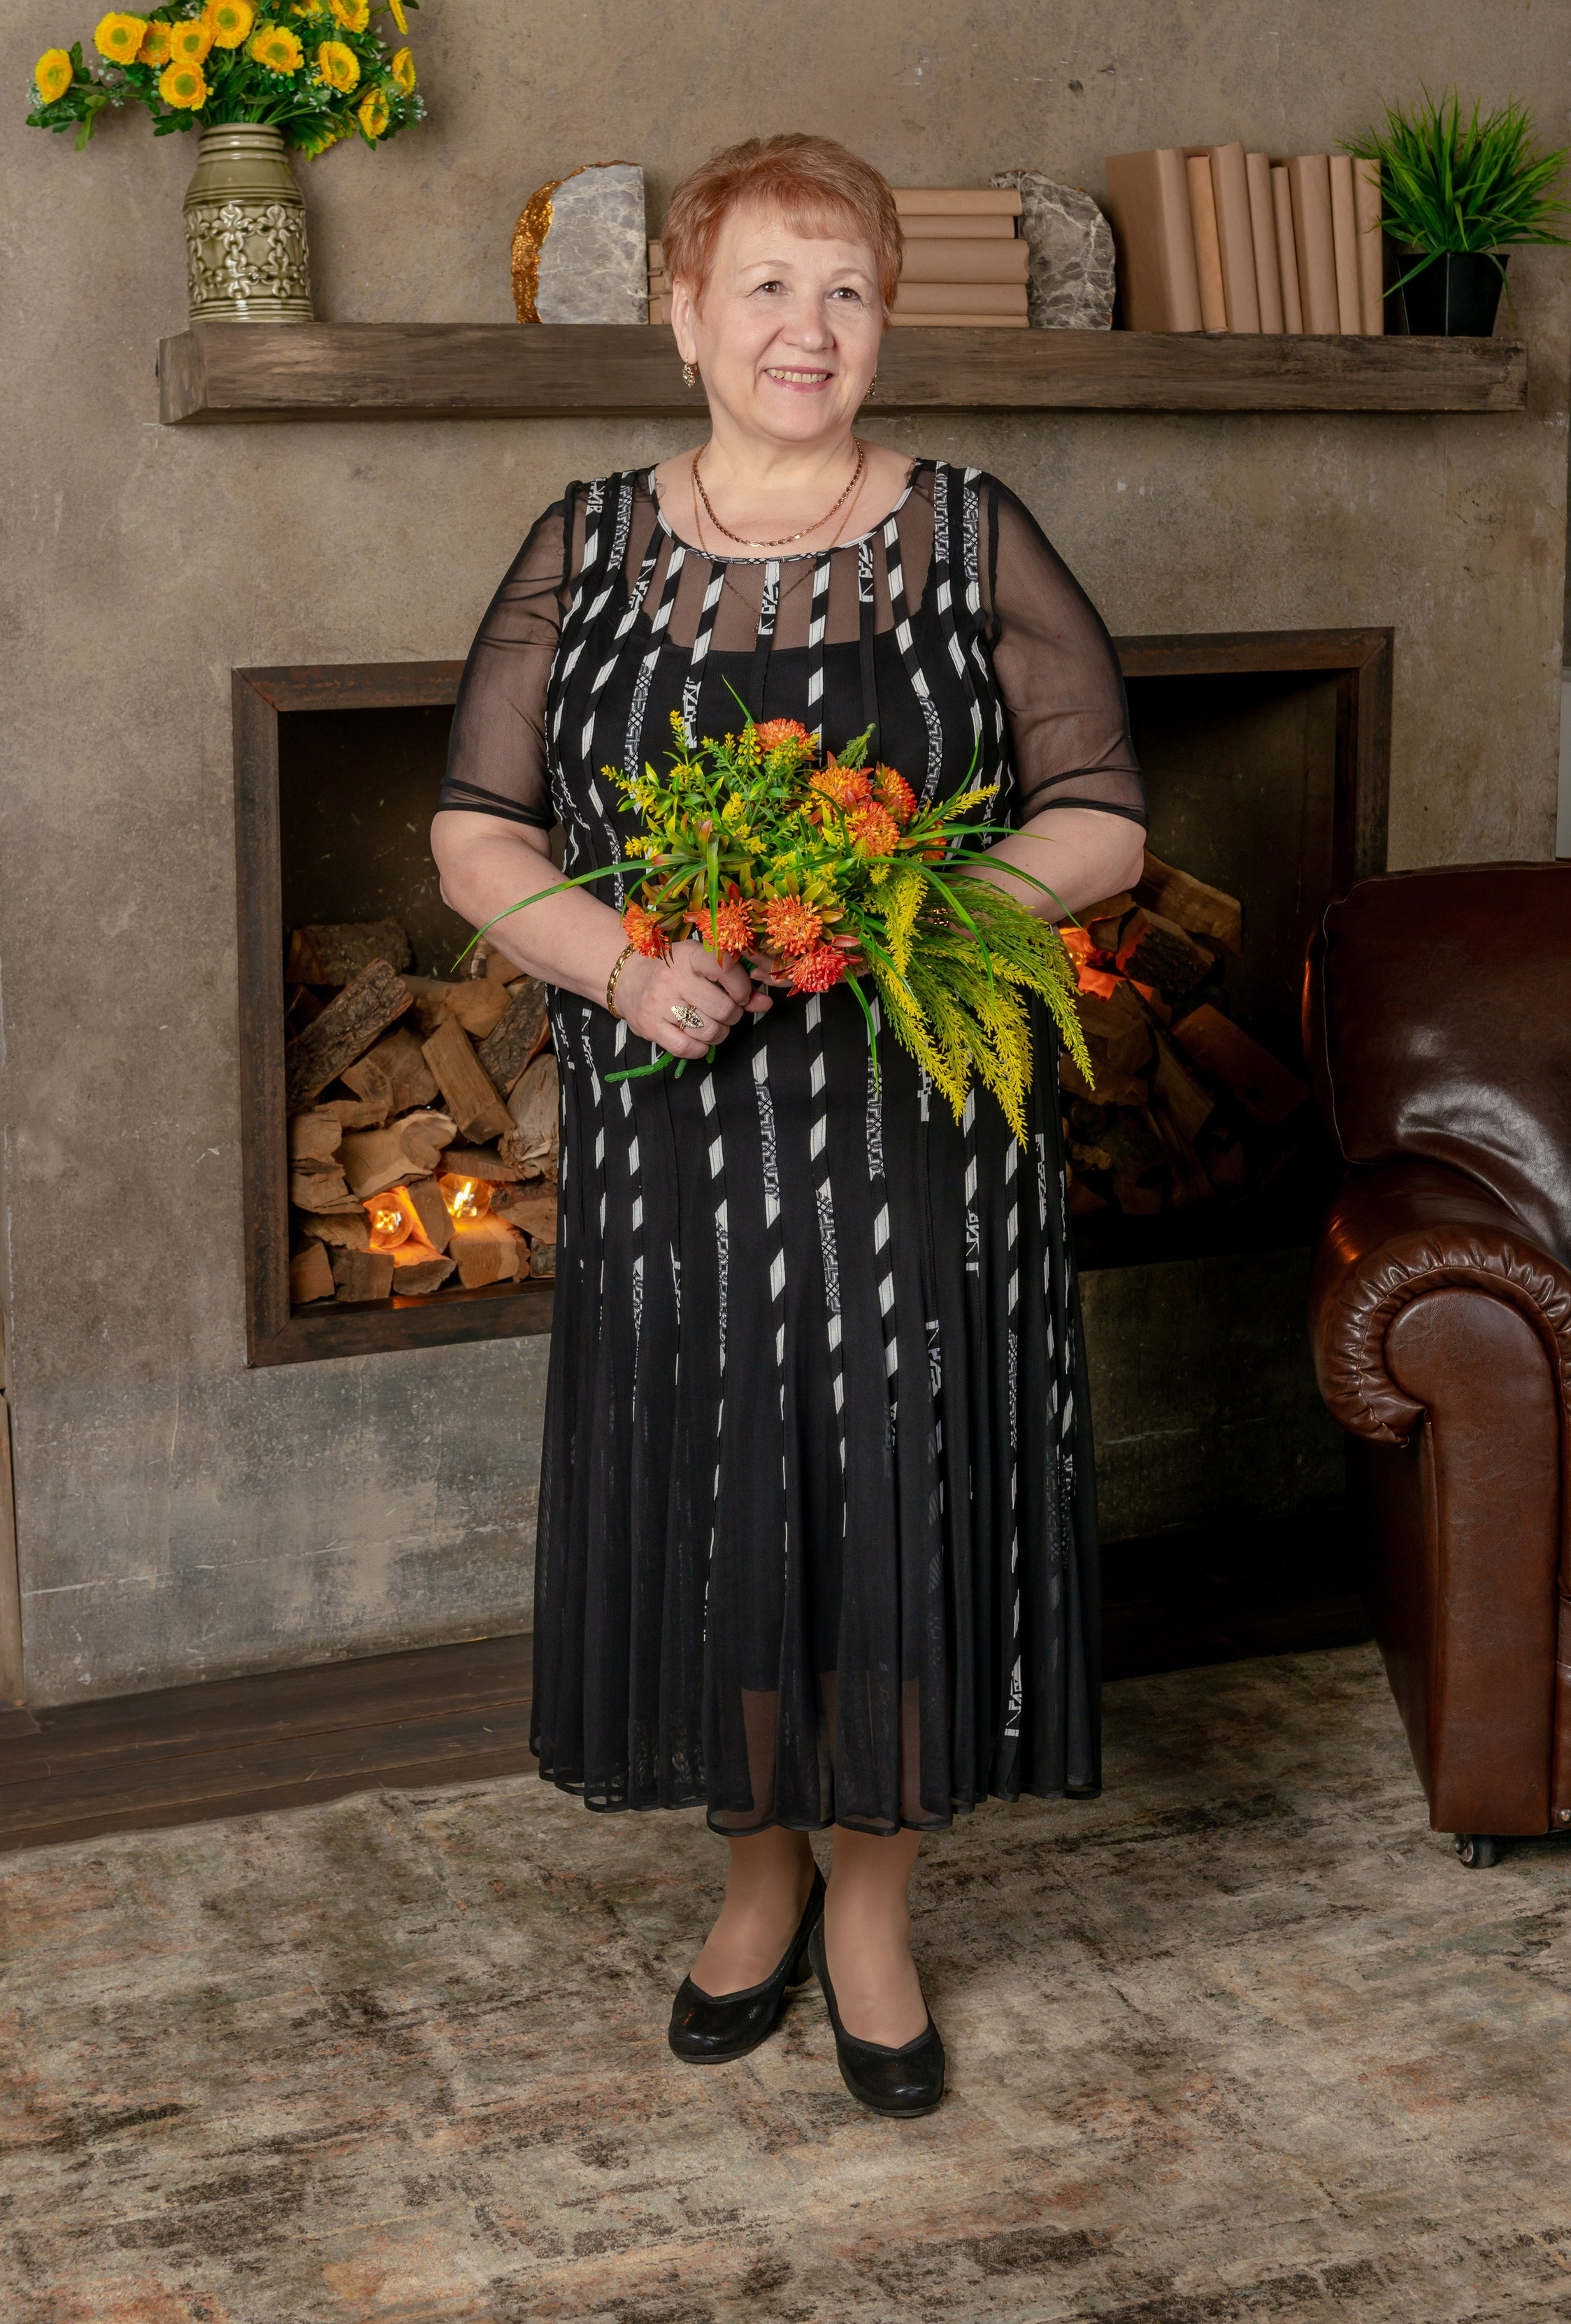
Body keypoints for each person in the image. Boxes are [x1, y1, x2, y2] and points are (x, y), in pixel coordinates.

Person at [431, 134, 1146, 2116]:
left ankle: (872, 1911)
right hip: (680, 1132)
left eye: (843, 288)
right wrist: (622, 969)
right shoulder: (583, 546)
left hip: (916, 1131)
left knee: (899, 1486)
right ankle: (754, 1877)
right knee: (719, 1487)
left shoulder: (972, 536)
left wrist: (921, 911)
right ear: (681, 318)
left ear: (884, 319)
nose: (805, 329)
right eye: (764, 287)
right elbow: (474, 831)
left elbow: (1102, 814)